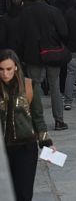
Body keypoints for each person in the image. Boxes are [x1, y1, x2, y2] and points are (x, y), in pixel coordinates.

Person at [1, 49, 54, 201]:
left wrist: (46, 143)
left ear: (16, 67)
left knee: (23, 194)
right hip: (2, 149)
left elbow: (37, 117)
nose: (5, 73)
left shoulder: (29, 85)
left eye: (9, 69)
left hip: (25, 147)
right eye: (1, 69)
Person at [20, 0, 69, 131]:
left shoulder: (25, 12)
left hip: (32, 54)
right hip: (52, 52)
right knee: (54, 86)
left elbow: (20, 35)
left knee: (33, 88)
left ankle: (35, 121)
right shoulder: (53, 11)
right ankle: (59, 120)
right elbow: (64, 32)